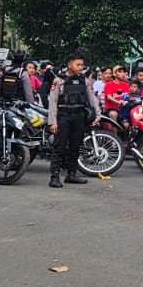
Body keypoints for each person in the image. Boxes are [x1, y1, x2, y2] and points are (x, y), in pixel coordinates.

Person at [46, 50, 99, 188]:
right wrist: (52, 122)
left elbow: (92, 98)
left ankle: (72, 174)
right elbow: (53, 102)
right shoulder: (59, 80)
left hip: (79, 116)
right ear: (70, 65)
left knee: (75, 146)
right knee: (60, 147)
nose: (81, 67)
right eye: (78, 64)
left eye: (82, 65)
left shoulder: (84, 80)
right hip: (63, 116)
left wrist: (98, 114)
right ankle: (55, 176)